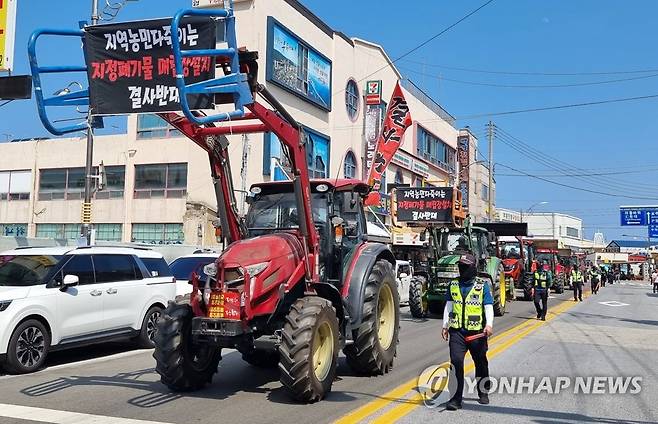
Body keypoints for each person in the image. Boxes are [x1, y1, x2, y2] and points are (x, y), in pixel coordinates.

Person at [442, 253, 494, 411]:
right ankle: (455, 399)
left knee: (480, 362)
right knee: (456, 362)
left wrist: (489, 325)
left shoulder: (482, 285)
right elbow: (449, 305)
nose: (462, 269)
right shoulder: (453, 285)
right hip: (457, 332)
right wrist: (445, 325)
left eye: (465, 266)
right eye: (460, 266)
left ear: (473, 268)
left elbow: (488, 306)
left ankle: (483, 391)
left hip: (476, 333)